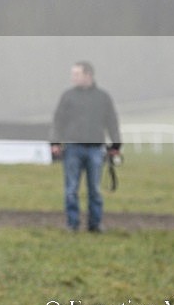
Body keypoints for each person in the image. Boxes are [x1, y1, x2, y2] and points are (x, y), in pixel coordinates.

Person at [50, 61, 121, 232]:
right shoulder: (67, 96)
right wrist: (55, 142)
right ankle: (72, 224)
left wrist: (115, 145)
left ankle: (95, 224)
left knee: (95, 190)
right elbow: (58, 121)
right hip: (72, 148)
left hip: (95, 149)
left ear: (88, 75)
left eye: (76, 74)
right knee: (71, 189)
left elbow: (111, 121)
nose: (73, 78)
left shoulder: (102, 97)